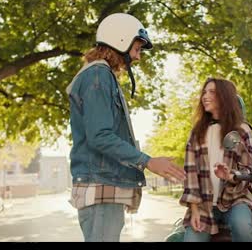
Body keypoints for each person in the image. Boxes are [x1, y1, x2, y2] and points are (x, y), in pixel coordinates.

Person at [66, 13, 186, 242]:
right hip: (101, 185)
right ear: (120, 41)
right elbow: (100, 136)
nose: (138, 57)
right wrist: (148, 161)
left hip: (104, 185)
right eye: (137, 49)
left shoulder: (101, 76)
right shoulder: (98, 76)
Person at [179, 77, 252, 242]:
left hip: (235, 199)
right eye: (204, 92)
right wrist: (194, 210)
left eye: (212, 92)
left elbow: (250, 171)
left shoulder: (242, 130)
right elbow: (190, 175)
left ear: (224, 96)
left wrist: (230, 176)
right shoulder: (197, 133)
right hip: (204, 204)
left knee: (242, 226)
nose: (205, 96)